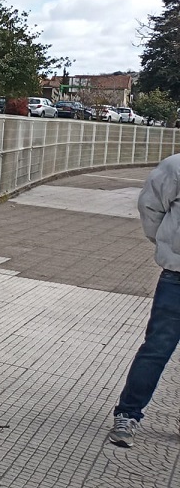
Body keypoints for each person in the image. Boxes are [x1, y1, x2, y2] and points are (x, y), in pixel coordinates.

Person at [108, 152, 180, 448]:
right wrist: (167, 244)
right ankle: (128, 413)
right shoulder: (176, 167)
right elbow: (150, 206)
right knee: (157, 349)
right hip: (177, 277)